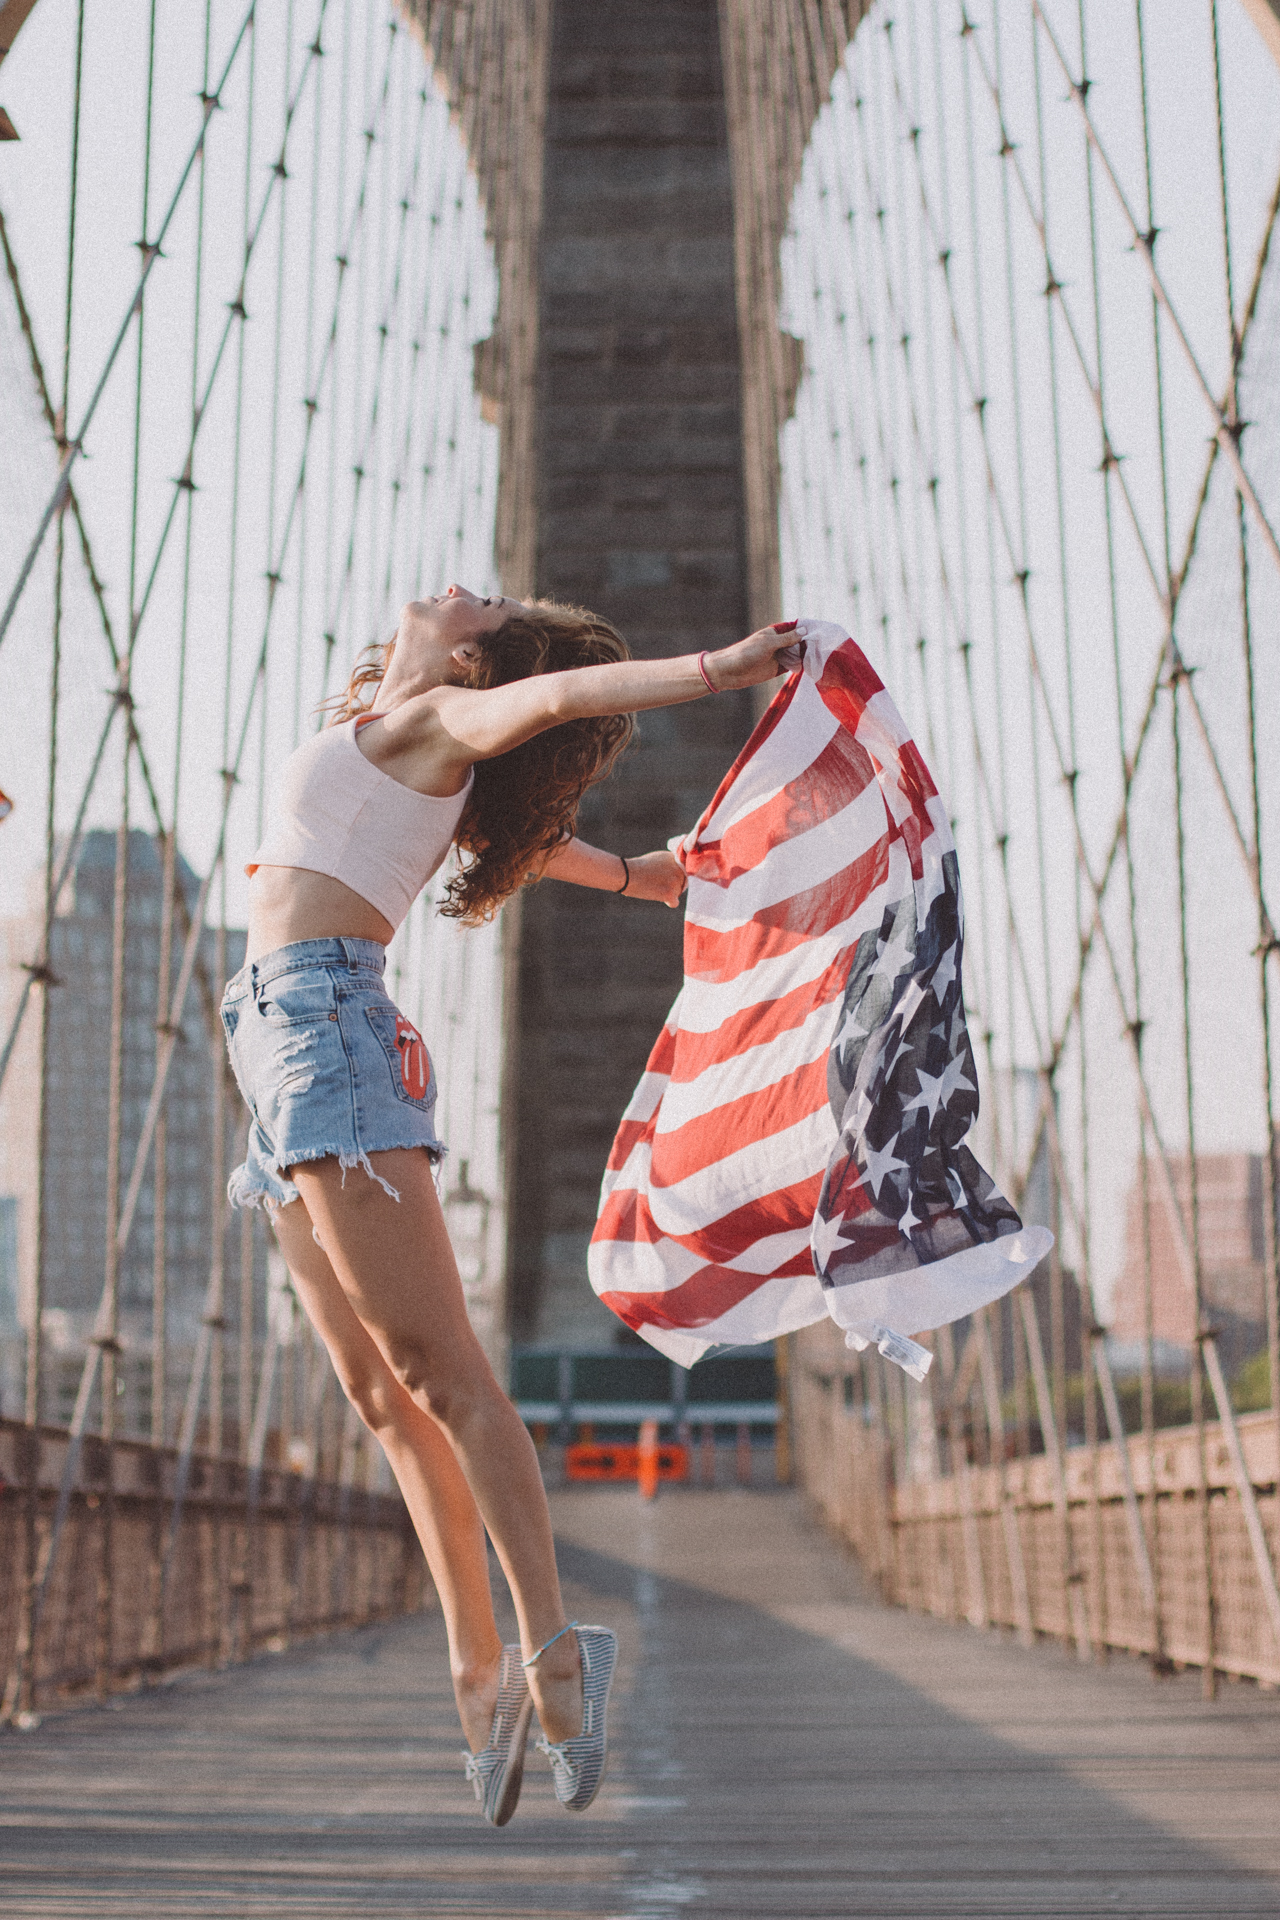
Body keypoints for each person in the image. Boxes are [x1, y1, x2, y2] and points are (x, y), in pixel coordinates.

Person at [219, 585, 803, 1826]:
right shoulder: (406, 731)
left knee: (447, 1378)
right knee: (384, 1399)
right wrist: (646, 883)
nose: (452, 590)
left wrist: (724, 669)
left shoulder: (444, 716)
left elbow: (559, 697)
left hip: (325, 1033)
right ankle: (473, 1666)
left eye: (475, 604)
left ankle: (550, 1650)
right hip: (271, 1045)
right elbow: (529, 845)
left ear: (471, 655)